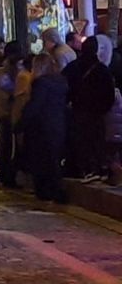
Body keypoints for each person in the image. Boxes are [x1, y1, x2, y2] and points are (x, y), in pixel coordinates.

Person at [18, 53, 68, 202]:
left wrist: (21, 124)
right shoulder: (61, 82)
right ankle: (56, 191)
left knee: (42, 162)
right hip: (58, 125)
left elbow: (35, 107)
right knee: (54, 160)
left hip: (41, 128)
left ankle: (48, 191)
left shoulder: (41, 84)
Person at [66, 35, 116, 182]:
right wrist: (102, 109)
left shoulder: (74, 67)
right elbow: (109, 94)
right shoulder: (102, 69)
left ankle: (85, 168)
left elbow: (65, 86)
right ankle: (97, 168)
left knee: (81, 141)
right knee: (96, 140)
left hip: (78, 110)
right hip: (97, 113)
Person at [0, 41, 26, 187]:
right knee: (10, 144)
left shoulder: (3, 70)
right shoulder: (10, 71)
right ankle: (7, 175)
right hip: (9, 112)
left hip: (4, 111)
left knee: (6, 143)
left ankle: (4, 174)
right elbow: (8, 91)